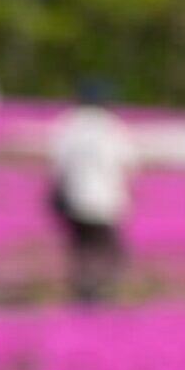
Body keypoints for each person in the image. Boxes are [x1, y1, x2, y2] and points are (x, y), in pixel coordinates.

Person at [47, 88, 137, 304]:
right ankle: (100, 292)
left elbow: (57, 165)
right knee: (108, 250)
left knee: (81, 248)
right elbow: (130, 163)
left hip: (74, 199)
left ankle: (84, 292)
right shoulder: (111, 126)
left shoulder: (68, 124)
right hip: (105, 201)